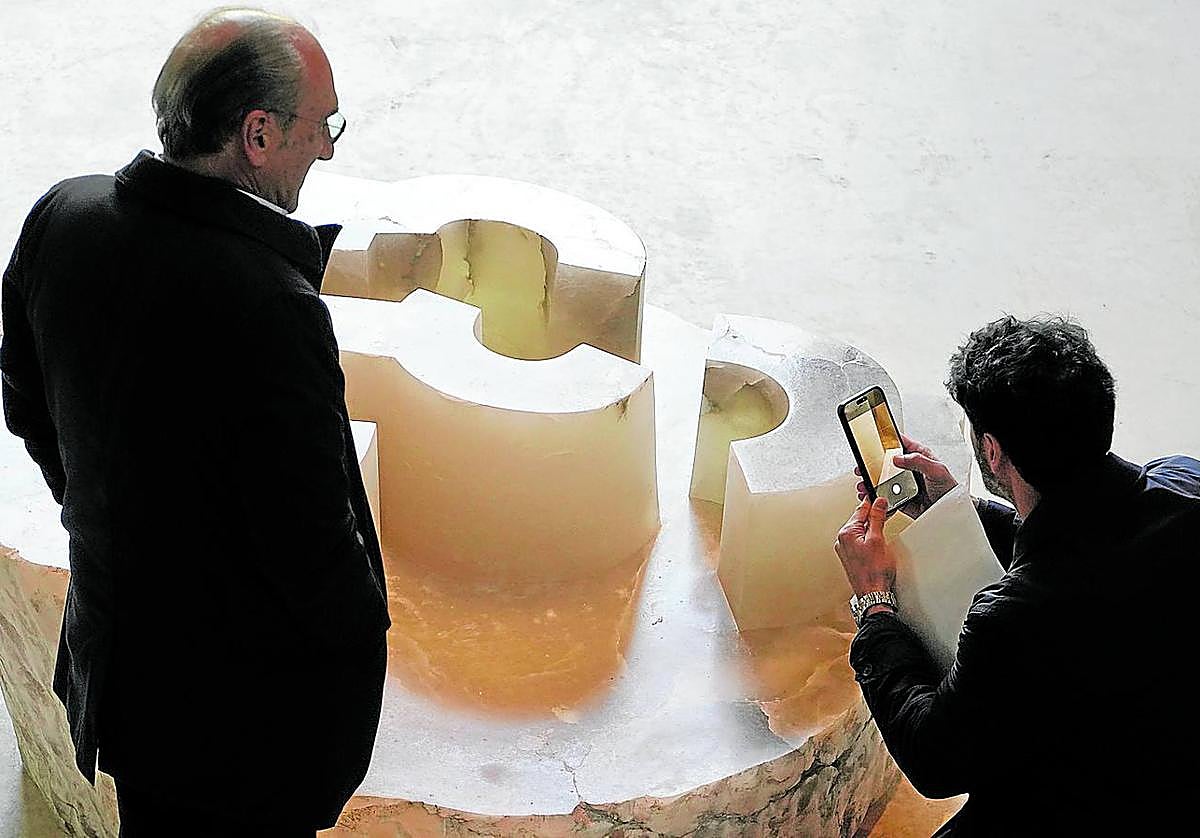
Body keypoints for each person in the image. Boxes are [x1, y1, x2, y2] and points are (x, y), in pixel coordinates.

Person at [1, 8, 390, 835]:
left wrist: (101, 513)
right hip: (242, 739)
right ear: (257, 133)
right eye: (322, 125)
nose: (326, 147)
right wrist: (356, 669)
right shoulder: (270, 308)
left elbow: (25, 399)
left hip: (126, 689)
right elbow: (314, 554)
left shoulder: (61, 218)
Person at [834, 315, 1195, 836]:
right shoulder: (1185, 483)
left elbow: (934, 757)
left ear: (993, 449)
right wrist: (957, 508)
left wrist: (874, 605)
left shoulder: (1014, 618)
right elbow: (1091, 531)